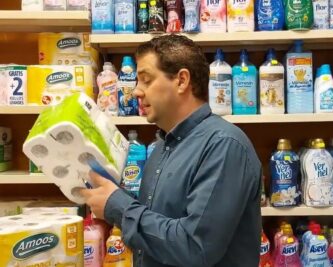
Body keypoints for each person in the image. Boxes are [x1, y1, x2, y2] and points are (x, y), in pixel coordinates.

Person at [80, 35, 262, 267]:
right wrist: (113, 195)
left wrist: (118, 206)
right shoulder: (163, 147)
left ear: (181, 81)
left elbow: (195, 247)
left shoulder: (224, 146)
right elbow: (161, 222)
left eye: (146, 80)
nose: (136, 91)